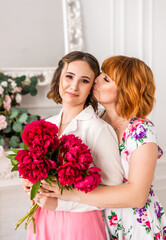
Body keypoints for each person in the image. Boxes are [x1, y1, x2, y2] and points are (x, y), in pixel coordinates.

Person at [40, 55, 166, 239]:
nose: (96, 79)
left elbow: (137, 196)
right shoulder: (96, 118)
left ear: (125, 90)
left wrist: (72, 194)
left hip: (136, 225)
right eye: (100, 75)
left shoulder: (141, 131)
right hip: (101, 220)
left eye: (106, 79)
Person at [22, 51, 124, 240]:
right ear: (59, 77)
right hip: (42, 219)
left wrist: (61, 204)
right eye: (69, 76)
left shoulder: (99, 129)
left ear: (92, 88)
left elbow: (114, 194)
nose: (74, 86)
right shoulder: (46, 125)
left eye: (84, 80)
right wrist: (30, 182)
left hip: (80, 226)